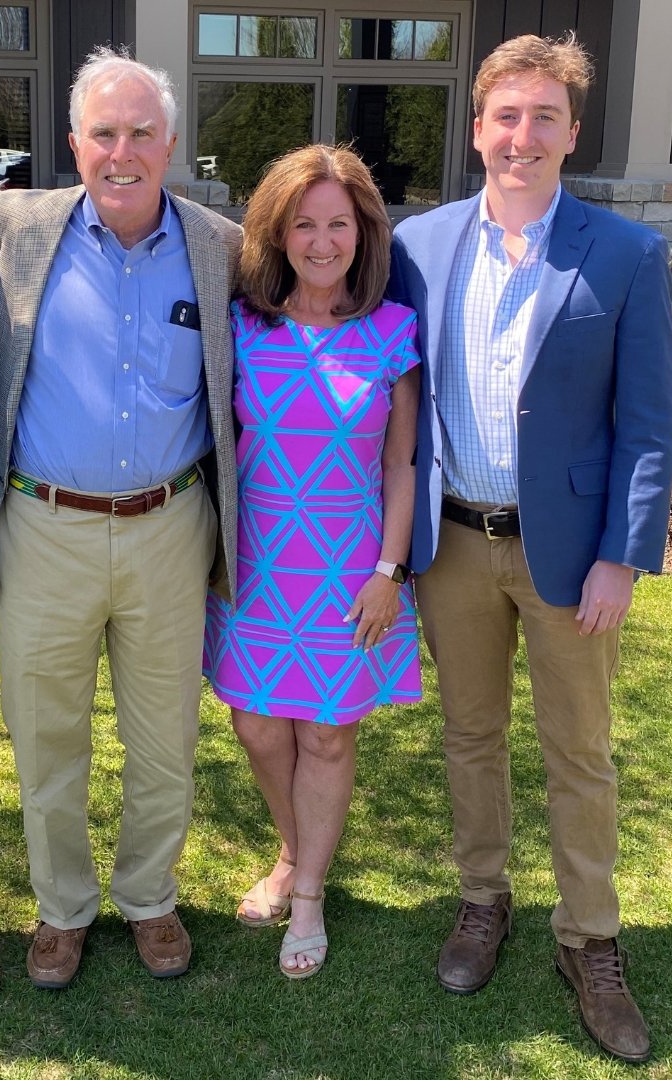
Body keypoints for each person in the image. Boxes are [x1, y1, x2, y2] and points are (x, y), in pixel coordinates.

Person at [387, 32, 672, 1063]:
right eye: (506, 117)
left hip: (570, 560)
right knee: (470, 738)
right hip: (453, 546)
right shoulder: (421, 249)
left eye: (544, 117)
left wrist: (624, 555)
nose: (523, 136)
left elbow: (651, 423)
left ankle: (590, 942)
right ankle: (481, 902)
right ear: (477, 131)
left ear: (571, 131)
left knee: (580, 754)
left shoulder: (627, 254)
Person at [0, 45, 241, 988]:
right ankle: (60, 908)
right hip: (43, 525)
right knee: (45, 733)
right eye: (103, 133)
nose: (121, 152)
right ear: (73, 141)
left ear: (170, 142)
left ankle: (150, 897)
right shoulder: (13, 224)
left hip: (172, 527)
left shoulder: (220, 245)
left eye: (141, 133)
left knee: (164, 734)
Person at [204, 144, 422, 978]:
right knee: (257, 724)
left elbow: (400, 467)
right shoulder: (241, 325)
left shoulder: (392, 334)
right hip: (255, 567)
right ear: (279, 231)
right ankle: (297, 851)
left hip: (349, 573)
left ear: (363, 234)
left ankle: (307, 894)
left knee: (327, 739)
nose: (323, 242)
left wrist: (389, 572)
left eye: (339, 224)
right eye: (306, 224)